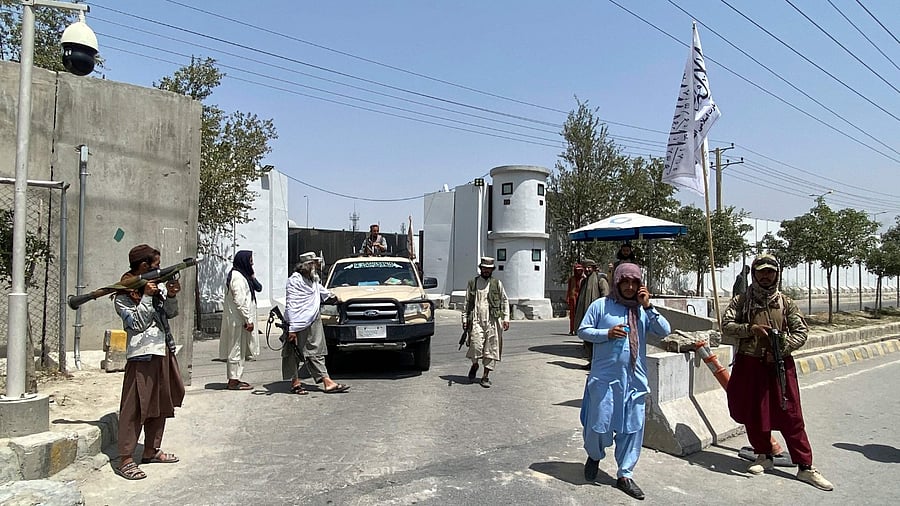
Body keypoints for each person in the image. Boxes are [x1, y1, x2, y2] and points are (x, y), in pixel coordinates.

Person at [722, 253, 834, 491]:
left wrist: (780, 348)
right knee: (753, 412)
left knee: (791, 415)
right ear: (754, 273)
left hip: (779, 366)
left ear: (777, 274)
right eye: (761, 271)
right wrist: (750, 329)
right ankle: (763, 455)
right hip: (749, 363)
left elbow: (801, 332)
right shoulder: (742, 301)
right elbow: (727, 325)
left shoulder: (785, 302)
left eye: (770, 272)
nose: (765, 276)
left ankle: (805, 466)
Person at [578, 262, 670, 500]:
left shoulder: (642, 310)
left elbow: (665, 331)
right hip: (605, 380)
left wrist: (648, 306)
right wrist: (606, 334)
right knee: (598, 425)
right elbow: (583, 330)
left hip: (634, 382)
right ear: (617, 282)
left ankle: (625, 475)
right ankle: (594, 456)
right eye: (625, 282)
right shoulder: (601, 305)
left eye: (634, 282)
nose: (629, 287)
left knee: (632, 428)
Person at [113, 244, 185, 480]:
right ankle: (125, 459)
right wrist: (146, 297)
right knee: (134, 407)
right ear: (144, 266)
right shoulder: (122, 295)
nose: (159, 269)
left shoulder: (155, 287)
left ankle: (151, 450)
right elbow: (137, 324)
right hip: (141, 355)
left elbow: (170, 313)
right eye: (156, 265)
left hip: (162, 350)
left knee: (161, 403)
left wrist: (171, 294)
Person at [282, 252, 350, 394]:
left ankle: (327, 381)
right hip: (296, 322)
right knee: (293, 353)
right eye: (314, 264)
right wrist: (292, 328)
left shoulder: (313, 280)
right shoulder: (294, 281)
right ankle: (295, 382)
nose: (317, 266)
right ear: (307, 265)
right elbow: (292, 304)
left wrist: (338, 299)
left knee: (316, 351)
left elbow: (323, 293)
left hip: (312, 321)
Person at [462, 256, 509, 388]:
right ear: (481, 268)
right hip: (476, 320)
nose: (486, 271)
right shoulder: (473, 283)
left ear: (492, 270)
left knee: (491, 349)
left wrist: (506, 318)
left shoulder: (497, 284)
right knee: (475, 345)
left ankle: (485, 376)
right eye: (484, 268)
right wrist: (464, 319)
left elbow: (505, 301)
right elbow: (467, 303)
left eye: (488, 269)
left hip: (493, 321)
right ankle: (475, 365)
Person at [220, 250, 260, 391]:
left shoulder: (242, 275)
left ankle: (236, 378)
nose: (252, 264)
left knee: (240, 350)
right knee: (236, 350)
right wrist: (248, 320)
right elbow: (240, 301)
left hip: (240, 320)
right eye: (250, 261)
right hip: (239, 321)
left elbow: (258, 288)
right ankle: (233, 381)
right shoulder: (237, 278)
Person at [573, 259, 610, 368]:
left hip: (597, 316)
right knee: (587, 340)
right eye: (585, 267)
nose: (587, 269)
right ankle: (591, 361)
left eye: (589, 267)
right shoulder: (584, 281)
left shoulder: (600, 280)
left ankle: (599, 363)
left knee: (597, 341)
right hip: (585, 315)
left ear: (593, 268)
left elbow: (606, 296)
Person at [566, 263, 585, 336]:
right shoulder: (572, 279)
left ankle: (579, 329)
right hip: (573, 298)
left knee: (581, 314)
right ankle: (572, 330)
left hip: (581, 298)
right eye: (577, 270)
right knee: (572, 315)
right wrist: (568, 298)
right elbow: (569, 289)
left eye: (580, 270)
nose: (579, 272)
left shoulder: (584, 278)